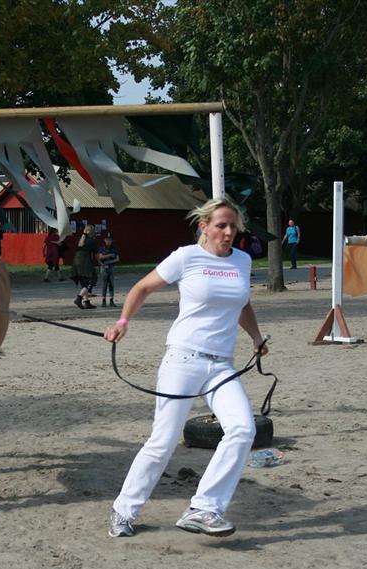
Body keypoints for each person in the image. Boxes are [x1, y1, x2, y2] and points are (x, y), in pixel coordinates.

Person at [102, 197, 268, 539]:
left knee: (242, 429)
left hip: (222, 365)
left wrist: (256, 337)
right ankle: (124, 511)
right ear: (204, 226)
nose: (228, 231)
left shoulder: (242, 261)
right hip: (183, 359)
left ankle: (204, 508)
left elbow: (243, 304)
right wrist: (122, 321)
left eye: (233, 226)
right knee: (162, 441)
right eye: (221, 225)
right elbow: (142, 287)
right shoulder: (186, 257)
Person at [71, 223, 97, 309]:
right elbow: (96, 255)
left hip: (76, 262)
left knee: (83, 282)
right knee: (92, 279)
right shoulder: (91, 241)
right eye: (93, 230)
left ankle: (86, 302)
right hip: (85, 262)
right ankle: (79, 298)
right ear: (91, 232)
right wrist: (101, 262)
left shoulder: (80, 239)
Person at [97, 232, 119, 307]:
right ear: (104, 240)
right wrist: (109, 255)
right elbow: (99, 257)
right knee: (104, 284)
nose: (108, 241)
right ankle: (103, 300)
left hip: (111, 267)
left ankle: (111, 300)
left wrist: (109, 261)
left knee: (111, 284)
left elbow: (117, 259)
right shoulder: (102, 248)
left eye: (110, 240)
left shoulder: (114, 248)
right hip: (103, 267)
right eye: (107, 240)